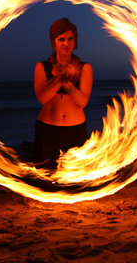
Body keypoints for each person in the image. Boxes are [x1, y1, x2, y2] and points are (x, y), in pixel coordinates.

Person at [33, 18, 93, 169]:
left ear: (75, 40)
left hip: (76, 131)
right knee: (46, 178)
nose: (66, 43)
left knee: (75, 179)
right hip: (48, 131)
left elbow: (82, 101)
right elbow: (42, 98)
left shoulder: (85, 68)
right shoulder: (42, 67)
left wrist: (67, 83)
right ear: (54, 41)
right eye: (61, 39)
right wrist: (59, 79)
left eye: (70, 39)